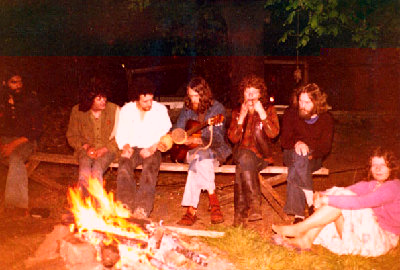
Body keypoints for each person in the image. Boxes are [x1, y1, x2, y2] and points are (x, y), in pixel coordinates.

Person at [271, 147, 400, 257]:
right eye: (374, 165)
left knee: (342, 200)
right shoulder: (372, 185)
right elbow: (343, 190)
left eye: (382, 165)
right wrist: (320, 195)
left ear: (391, 167)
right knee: (339, 196)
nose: (377, 169)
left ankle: (299, 229)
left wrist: (327, 199)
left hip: (381, 240)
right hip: (365, 234)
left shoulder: (394, 187)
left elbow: (362, 202)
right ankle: (305, 240)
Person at [175, 76, 231, 226]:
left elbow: (218, 139)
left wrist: (198, 140)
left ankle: (191, 210)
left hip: (214, 151)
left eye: (196, 96)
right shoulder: (187, 108)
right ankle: (214, 203)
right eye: (190, 95)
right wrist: (182, 139)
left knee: (199, 159)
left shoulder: (217, 109)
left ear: (204, 94)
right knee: (199, 157)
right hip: (191, 152)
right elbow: (178, 129)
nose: (193, 100)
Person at [115, 77, 172, 218]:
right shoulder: (126, 110)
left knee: (149, 170)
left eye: (151, 100)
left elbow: (166, 135)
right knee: (123, 165)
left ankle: (142, 208)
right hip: (133, 148)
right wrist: (125, 146)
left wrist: (153, 148)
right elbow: (120, 132)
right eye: (145, 101)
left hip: (152, 148)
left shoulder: (160, 110)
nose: (149, 103)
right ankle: (125, 204)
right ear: (136, 99)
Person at [228, 75, 280, 226]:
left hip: (261, 157)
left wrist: (262, 113)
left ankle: (240, 215)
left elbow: (273, 133)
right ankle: (255, 205)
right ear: (242, 94)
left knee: (242, 167)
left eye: (254, 92)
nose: (250, 95)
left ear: (260, 94)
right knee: (244, 158)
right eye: (247, 92)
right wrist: (241, 118)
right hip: (243, 156)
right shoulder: (238, 111)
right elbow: (233, 139)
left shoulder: (269, 110)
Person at [280, 83, 334, 224]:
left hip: (313, 157)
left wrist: (309, 153)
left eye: (307, 102)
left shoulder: (326, 119)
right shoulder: (290, 113)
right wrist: (297, 143)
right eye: (300, 101)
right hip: (290, 153)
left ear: (316, 103)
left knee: (299, 162)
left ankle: (298, 216)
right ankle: (311, 200)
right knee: (299, 156)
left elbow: (325, 147)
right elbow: (285, 141)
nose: (302, 105)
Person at [66, 79, 120, 197]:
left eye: (104, 97)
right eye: (99, 99)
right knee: (84, 171)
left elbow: (121, 136)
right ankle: (84, 205)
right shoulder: (77, 111)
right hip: (86, 150)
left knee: (96, 170)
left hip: (108, 150)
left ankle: (98, 204)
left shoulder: (114, 110)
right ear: (89, 100)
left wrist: (105, 149)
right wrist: (86, 147)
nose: (103, 101)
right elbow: (71, 136)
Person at [0, 70, 42, 215]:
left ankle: (16, 206)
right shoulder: (2, 100)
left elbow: (36, 131)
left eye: (20, 82)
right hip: (4, 140)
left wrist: (12, 145)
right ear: (5, 83)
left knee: (16, 159)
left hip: (25, 141)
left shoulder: (30, 100)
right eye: (14, 82)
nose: (18, 85)